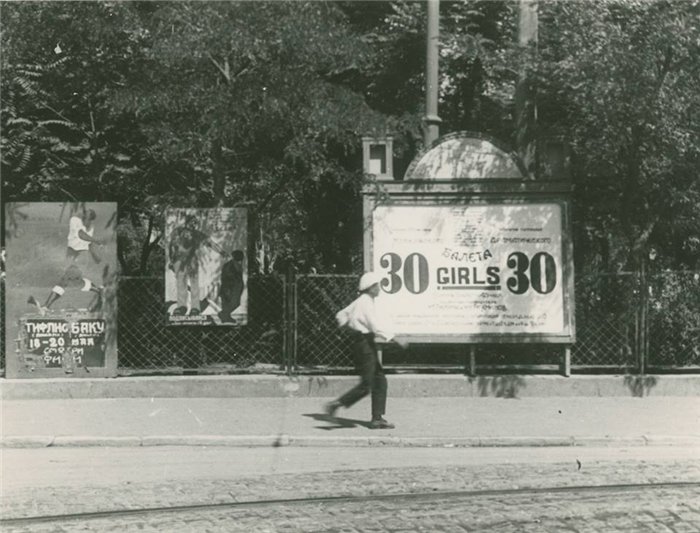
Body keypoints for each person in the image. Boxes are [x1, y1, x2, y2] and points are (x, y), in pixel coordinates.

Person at [325, 272, 409, 429]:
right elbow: (374, 326)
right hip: (363, 343)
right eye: (377, 285)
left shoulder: (362, 301)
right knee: (367, 385)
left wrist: (346, 327)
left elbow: (341, 314)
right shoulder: (365, 303)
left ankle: (377, 418)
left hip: (365, 342)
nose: (379, 288)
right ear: (370, 287)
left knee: (380, 380)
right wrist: (395, 338)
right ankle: (335, 405)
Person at [29, 209, 105, 314]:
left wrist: (95, 256)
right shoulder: (75, 220)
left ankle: (46, 306)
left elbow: (88, 243)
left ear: (90, 219)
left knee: (64, 280)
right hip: (71, 255)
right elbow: (81, 234)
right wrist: (96, 241)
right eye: (85, 215)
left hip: (82, 256)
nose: (85, 217)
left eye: (88, 217)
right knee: (75, 282)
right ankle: (99, 290)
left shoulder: (90, 227)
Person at [168, 213, 228, 316]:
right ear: (187, 222)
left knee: (194, 284)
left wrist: (222, 252)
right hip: (179, 260)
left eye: (195, 223)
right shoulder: (177, 231)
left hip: (192, 261)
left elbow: (211, 243)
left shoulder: (197, 234)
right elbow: (172, 246)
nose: (193, 224)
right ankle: (181, 307)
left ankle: (195, 308)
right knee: (180, 284)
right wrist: (171, 260)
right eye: (192, 222)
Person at [219, 250, 245, 323]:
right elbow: (226, 278)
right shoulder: (229, 265)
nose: (241, 259)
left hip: (235, 289)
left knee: (236, 304)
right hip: (229, 289)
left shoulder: (238, 265)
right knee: (230, 304)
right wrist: (227, 290)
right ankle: (224, 316)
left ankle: (225, 316)